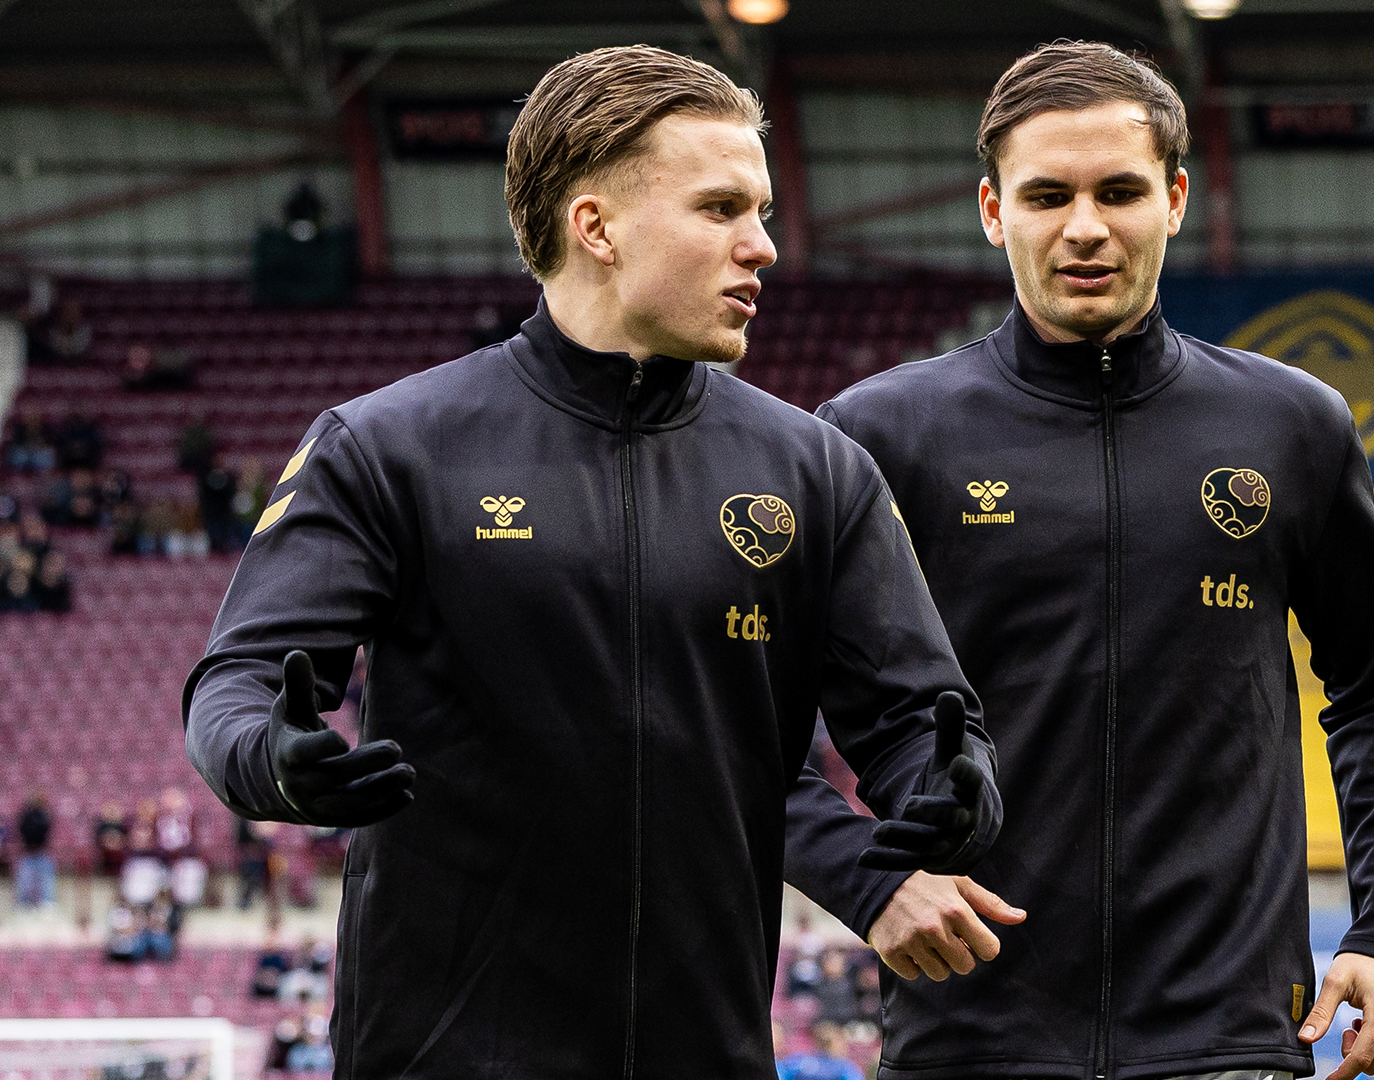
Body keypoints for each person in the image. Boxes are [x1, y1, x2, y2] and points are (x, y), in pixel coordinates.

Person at [183, 45, 1002, 1078]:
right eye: (720, 211)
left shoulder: (817, 470)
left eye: (763, 213)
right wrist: (273, 759)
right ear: (596, 226)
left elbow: (919, 722)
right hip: (443, 1058)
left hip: (708, 1054)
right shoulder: (390, 445)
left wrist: (956, 789)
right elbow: (237, 686)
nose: (764, 249)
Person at [783, 40, 1374, 1080]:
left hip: (1228, 1040)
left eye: (1120, 191)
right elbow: (740, 705)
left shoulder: (1290, 426)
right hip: (970, 1039)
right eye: (1047, 195)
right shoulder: (875, 436)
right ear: (994, 211)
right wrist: (865, 879)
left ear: (1175, 199)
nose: (1085, 227)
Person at [14, 792, 54, 907]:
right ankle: (24, 901)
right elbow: (22, 831)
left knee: (47, 878)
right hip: (28, 851)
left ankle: (47, 900)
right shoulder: (25, 815)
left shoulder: (44, 815)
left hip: (41, 850)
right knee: (24, 879)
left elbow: (45, 830)